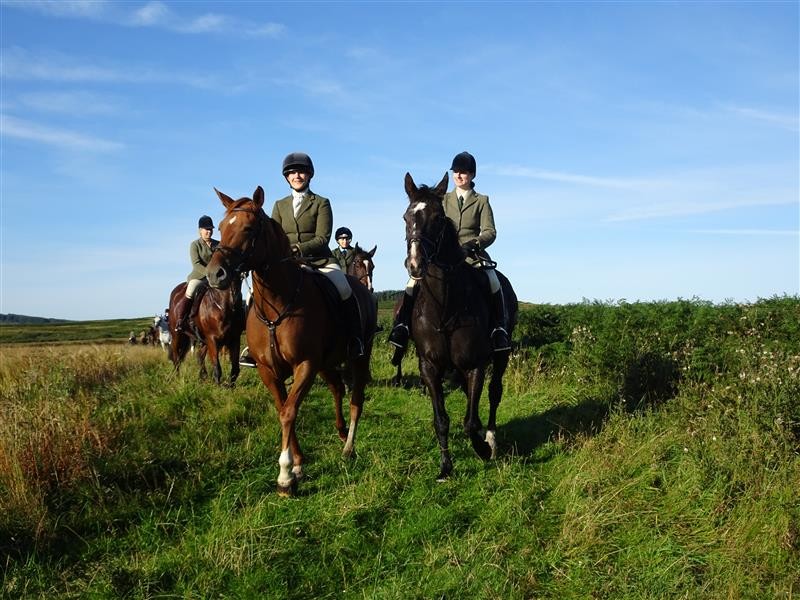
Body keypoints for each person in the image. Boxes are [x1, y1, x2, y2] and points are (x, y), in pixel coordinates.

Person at [240, 152, 364, 367]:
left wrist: (297, 248)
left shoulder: (321, 203)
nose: (297, 176)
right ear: (287, 177)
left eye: (302, 172)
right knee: (253, 295)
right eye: (292, 172)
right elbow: (273, 235)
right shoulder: (279, 205)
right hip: (286, 263)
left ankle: (354, 339)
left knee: (344, 288)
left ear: (309, 175)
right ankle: (253, 346)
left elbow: (323, 238)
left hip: (319, 260)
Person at [388, 151, 511, 352]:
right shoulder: (441, 199)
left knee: (493, 280)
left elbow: (490, 231)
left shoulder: (482, 200)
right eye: (456, 172)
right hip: (442, 255)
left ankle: (499, 328)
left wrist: (473, 244)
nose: (459, 176)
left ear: (472, 175)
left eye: (464, 172)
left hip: (472, 255)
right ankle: (402, 326)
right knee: (412, 283)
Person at [173, 215, 219, 337]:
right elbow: (196, 264)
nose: (209, 231)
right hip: (200, 276)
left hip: (216, 278)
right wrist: (209, 273)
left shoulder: (218, 244)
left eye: (211, 229)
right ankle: (181, 319)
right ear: (200, 230)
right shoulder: (195, 245)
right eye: (206, 229)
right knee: (192, 288)